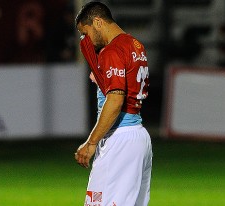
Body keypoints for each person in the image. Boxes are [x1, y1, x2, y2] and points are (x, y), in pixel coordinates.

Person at [74, 1, 152, 206]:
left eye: (85, 32)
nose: (85, 40)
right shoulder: (135, 45)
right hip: (139, 137)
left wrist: (91, 142)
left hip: (119, 139)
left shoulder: (112, 51)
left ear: (98, 22)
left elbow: (116, 100)